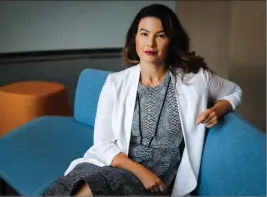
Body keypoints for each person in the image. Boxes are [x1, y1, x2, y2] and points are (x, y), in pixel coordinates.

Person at [42, 4, 242, 196]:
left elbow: (234, 91)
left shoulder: (195, 79)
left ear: (171, 40)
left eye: (160, 36)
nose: (150, 44)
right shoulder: (115, 82)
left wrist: (219, 108)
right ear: (134, 38)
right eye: (144, 34)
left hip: (158, 178)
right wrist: (140, 171)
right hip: (120, 163)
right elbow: (102, 144)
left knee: (92, 187)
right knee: (74, 184)